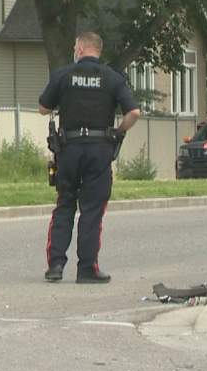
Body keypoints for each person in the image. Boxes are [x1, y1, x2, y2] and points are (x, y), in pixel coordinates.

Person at [39, 32, 141, 284]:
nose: (74, 50)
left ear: (82, 49)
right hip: (99, 149)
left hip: (69, 149)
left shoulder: (63, 75)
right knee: (92, 210)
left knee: (64, 204)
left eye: (75, 47)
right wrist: (118, 132)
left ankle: (55, 266)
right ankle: (87, 269)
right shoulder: (112, 78)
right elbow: (134, 112)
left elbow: (43, 108)